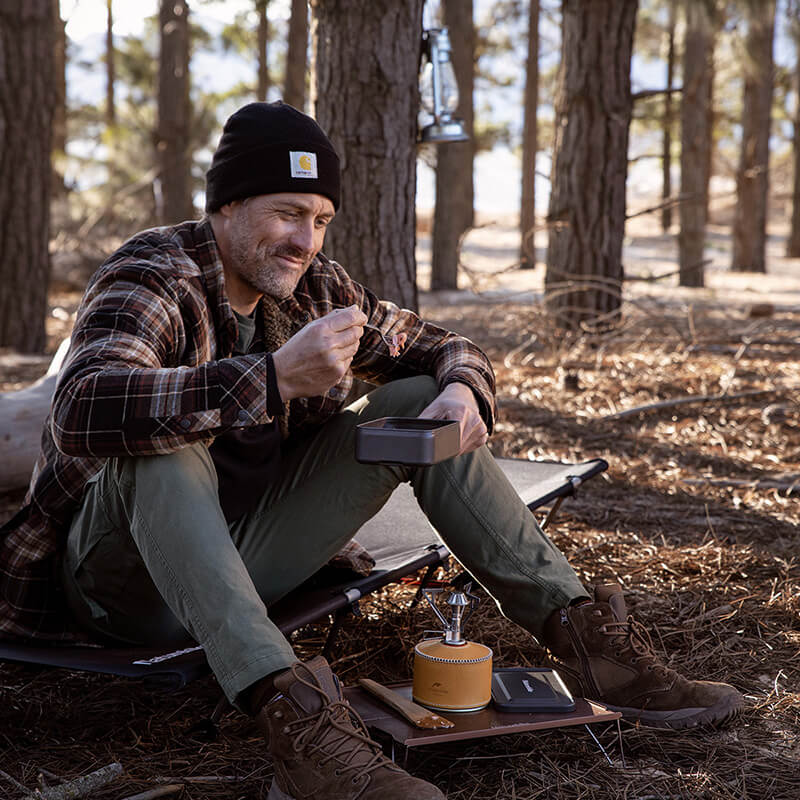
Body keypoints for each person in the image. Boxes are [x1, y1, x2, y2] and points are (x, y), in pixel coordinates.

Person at [0, 102, 742, 800]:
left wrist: (463, 394)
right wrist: (270, 378)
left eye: (320, 219)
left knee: (413, 397)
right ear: (225, 207)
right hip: (122, 587)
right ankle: (300, 730)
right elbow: (82, 407)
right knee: (164, 450)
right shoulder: (155, 275)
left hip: (244, 562)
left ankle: (589, 642)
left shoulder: (316, 287)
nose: (306, 239)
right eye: (287, 213)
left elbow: (448, 346)